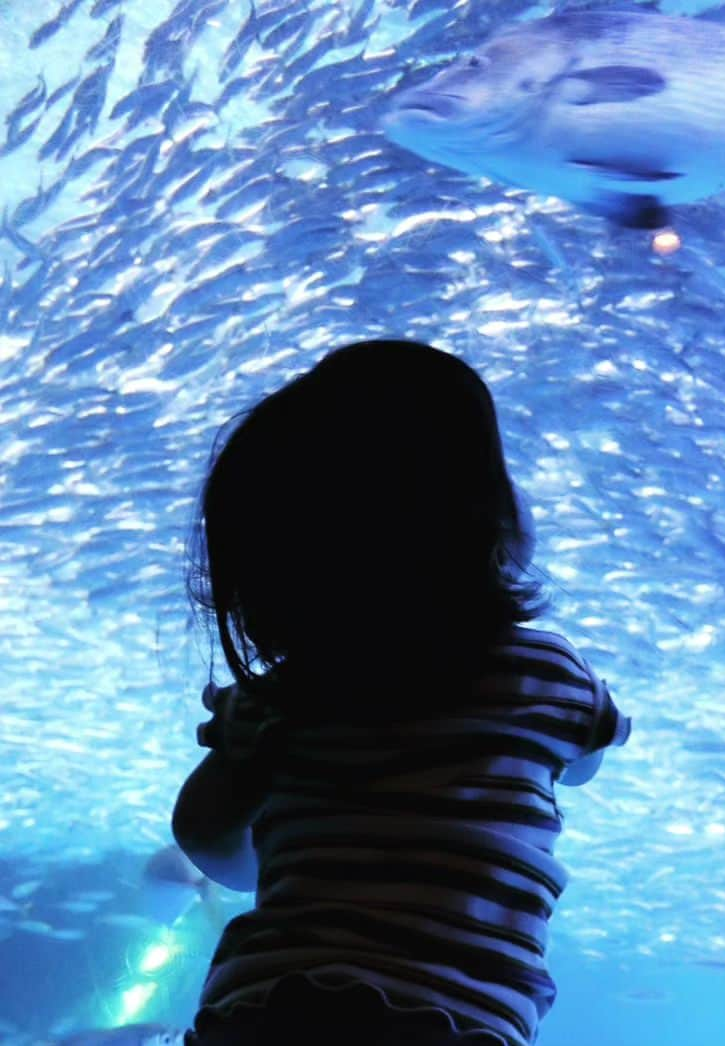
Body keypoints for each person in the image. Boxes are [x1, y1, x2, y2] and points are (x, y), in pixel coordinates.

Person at [173, 340, 631, 1046]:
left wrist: (250, 781)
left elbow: (211, 846)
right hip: (451, 1024)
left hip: (268, 1015)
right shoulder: (550, 676)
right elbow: (585, 760)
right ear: (494, 519)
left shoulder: (280, 700)